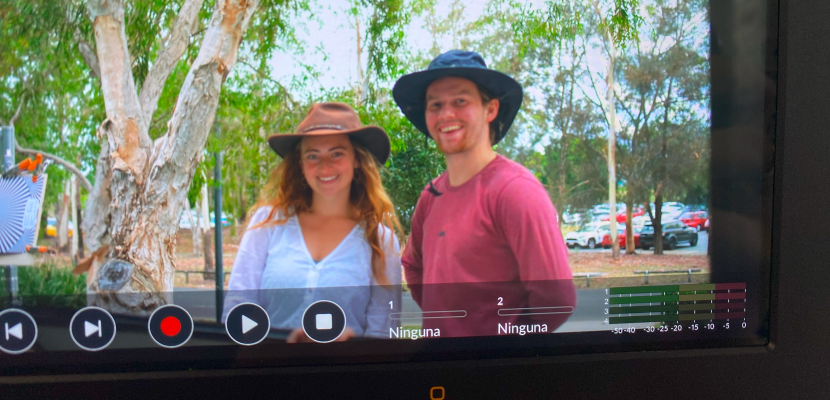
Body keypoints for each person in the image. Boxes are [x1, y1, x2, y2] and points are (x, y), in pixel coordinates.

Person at [393, 50, 576, 337]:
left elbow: (557, 300)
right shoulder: (431, 196)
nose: (446, 114)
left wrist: (498, 345)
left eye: (460, 101)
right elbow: (413, 265)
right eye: (435, 104)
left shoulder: (515, 192)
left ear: (490, 109)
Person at [224, 102, 402, 342]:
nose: (324, 165)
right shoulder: (268, 224)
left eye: (337, 153)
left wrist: (351, 349)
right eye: (313, 155)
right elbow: (238, 308)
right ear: (300, 164)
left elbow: (384, 333)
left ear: (356, 160)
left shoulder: (381, 241)